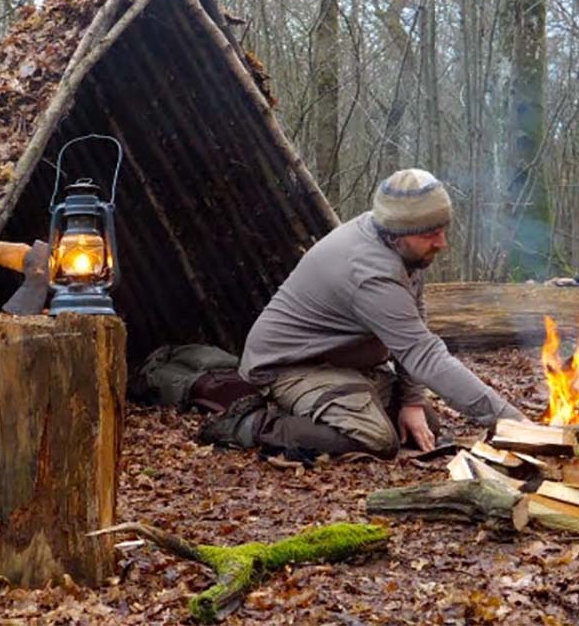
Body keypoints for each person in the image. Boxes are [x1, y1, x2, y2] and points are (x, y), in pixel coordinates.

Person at [198, 168, 525, 459]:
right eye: (430, 234)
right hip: (289, 366)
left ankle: (350, 403)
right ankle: (253, 424)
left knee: (426, 421)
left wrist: (411, 400)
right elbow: (424, 355)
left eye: (442, 230)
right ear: (396, 235)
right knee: (377, 439)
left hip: (341, 362)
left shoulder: (403, 246)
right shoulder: (370, 272)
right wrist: (515, 425)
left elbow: (415, 324)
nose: (442, 243)